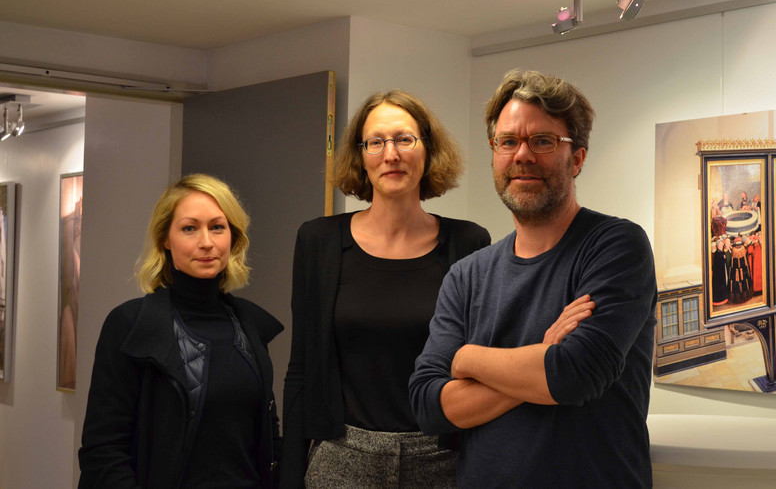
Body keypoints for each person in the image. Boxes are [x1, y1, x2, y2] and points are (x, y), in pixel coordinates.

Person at [410, 70, 657, 487]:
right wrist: (541, 357)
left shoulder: (616, 246)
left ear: (577, 158)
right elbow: (428, 405)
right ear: (494, 154)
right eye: (508, 142)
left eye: (543, 141)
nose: (522, 155)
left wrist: (468, 359)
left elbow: (576, 374)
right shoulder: (466, 276)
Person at [281, 90, 491, 488]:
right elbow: (301, 368)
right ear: (361, 156)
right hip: (342, 457)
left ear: (428, 150)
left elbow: (480, 364)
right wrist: (291, 472)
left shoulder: (468, 243)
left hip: (443, 456)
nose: (390, 154)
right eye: (375, 142)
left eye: (404, 139)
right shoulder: (318, 241)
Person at [78, 174, 283, 489]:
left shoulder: (250, 326)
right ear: (165, 238)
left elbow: (267, 433)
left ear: (233, 237)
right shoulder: (131, 325)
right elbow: (104, 450)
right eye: (189, 228)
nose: (206, 242)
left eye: (217, 227)